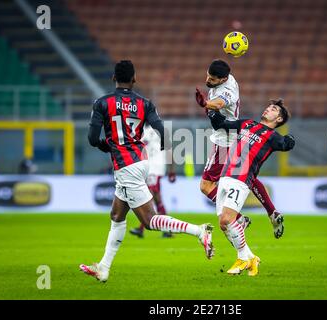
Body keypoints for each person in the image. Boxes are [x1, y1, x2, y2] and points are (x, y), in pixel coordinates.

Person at [80, 60, 214, 282]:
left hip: (126, 166)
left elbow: (93, 139)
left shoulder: (102, 103)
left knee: (150, 220)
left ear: (114, 78)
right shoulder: (145, 104)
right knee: (116, 215)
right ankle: (103, 268)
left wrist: (108, 145)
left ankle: (199, 231)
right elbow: (162, 131)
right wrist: (163, 151)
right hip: (141, 162)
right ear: (134, 79)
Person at [206, 99, 295, 276]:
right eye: (269, 106)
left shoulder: (272, 137)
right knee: (224, 225)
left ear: (278, 119)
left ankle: (242, 259)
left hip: (241, 179)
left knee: (226, 220)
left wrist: (290, 139)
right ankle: (251, 258)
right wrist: (209, 109)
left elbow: (287, 144)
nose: (268, 108)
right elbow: (222, 124)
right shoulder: (247, 123)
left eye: (274, 109)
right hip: (225, 176)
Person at [195, 60, 284, 238]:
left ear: (223, 79)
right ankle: (272, 212)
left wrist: (206, 104)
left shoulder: (227, 92)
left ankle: (239, 219)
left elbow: (219, 103)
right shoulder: (227, 79)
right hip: (234, 138)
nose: (208, 80)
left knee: (206, 186)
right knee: (246, 177)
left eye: (212, 79)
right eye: (207, 75)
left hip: (225, 142)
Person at [129, 124, 176, 238]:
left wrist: (171, 170)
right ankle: (166, 229)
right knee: (155, 199)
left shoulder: (147, 132)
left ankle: (145, 229)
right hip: (153, 168)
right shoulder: (158, 130)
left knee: (153, 198)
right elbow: (169, 150)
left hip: (153, 168)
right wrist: (171, 170)